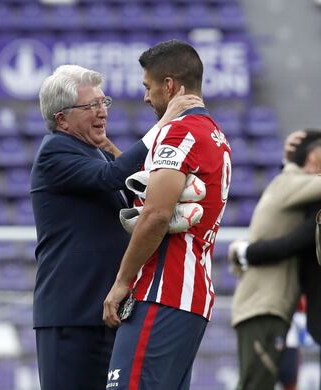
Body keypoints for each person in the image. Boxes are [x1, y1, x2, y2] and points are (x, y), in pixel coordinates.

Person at [30, 64, 202, 390]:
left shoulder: (95, 151)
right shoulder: (55, 149)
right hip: (71, 312)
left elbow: (127, 182)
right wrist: (166, 125)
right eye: (90, 105)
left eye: (103, 102)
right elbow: (112, 178)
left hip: (105, 309)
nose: (101, 112)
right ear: (62, 119)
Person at [103, 39, 232, 389]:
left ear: (170, 85)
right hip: (190, 293)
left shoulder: (179, 131)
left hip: (163, 291)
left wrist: (121, 282)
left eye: (148, 87)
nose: (146, 97)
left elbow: (157, 215)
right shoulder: (215, 135)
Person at [228, 130, 321, 390]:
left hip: (264, 306)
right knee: (256, 384)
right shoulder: (292, 182)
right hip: (264, 307)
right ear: (314, 156)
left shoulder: (286, 182)